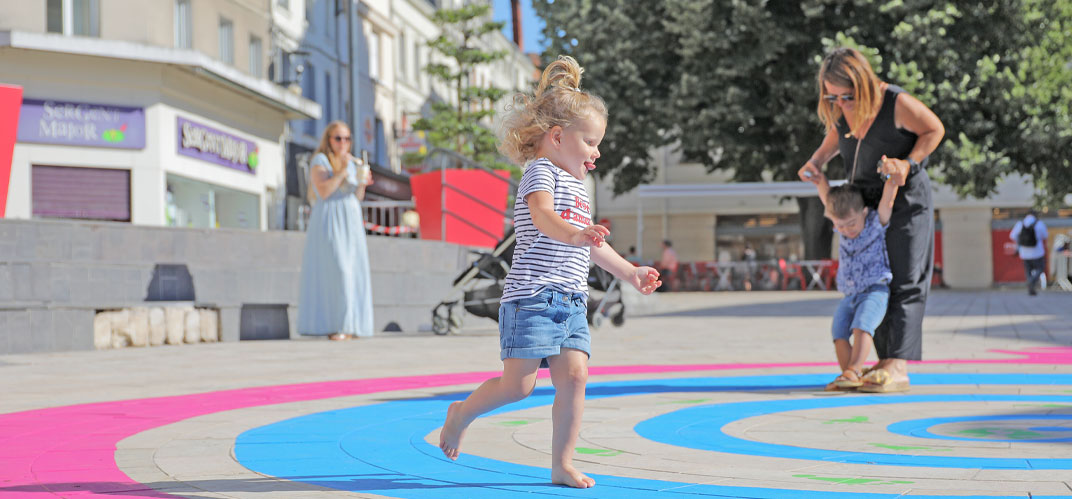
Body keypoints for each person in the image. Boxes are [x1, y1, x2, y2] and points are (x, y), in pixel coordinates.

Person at [437, 56, 662, 488]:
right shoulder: (539, 172)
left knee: (576, 377)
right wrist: (575, 234)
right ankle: (461, 414)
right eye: (592, 142)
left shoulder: (578, 186)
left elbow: (594, 246)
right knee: (517, 387)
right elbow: (542, 217)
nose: (597, 152)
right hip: (531, 300)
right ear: (558, 137)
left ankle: (562, 464)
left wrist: (630, 272)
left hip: (572, 301)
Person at [799, 47, 944, 393]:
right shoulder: (842, 110)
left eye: (847, 96)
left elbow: (934, 130)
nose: (841, 104)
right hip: (867, 200)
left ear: (864, 82)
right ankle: (883, 360)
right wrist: (816, 161)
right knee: (872, 280)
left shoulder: (895, 102)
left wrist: (908, 164)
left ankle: (898, 364)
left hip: (905, 198)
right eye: (832, 97)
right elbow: (835, 138)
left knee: (905, 275)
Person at [810, 177, 899, 391]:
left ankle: (855, 369)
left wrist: (892, 181)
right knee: (839, 332)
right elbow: (827, 200)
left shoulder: (875, 223)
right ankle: (849, 373)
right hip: (849, 294)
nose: (847, 229)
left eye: (851, 223)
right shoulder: (840, 226)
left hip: (874, 289)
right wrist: (818, 179)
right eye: (840, 225)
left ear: (864, 212)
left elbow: (887, 203)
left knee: (862, 327)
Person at [297, 121, 375, 341]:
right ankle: (337, 325)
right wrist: (342, 171)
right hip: (330, 219)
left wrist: (362, 182)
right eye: (338, 138)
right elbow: (323, 191)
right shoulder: (320, 161)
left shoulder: (354, 163)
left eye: (347, 138)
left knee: (353, 270)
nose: (343, 143)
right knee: (338, 270)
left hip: (350, 219)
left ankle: (352, 325)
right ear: (328, 140)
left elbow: (357, 196)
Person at [1009, 210, 1048, 295]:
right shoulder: (1039, 223)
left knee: (1028, 271)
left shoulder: (1020, 223)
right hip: (1037, 252)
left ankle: (1030, 285)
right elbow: (1045, 235)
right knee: (1040, 268)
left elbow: (1012, 235)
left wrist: (1021, 242)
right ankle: (1031, 282)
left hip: (1024, 253)